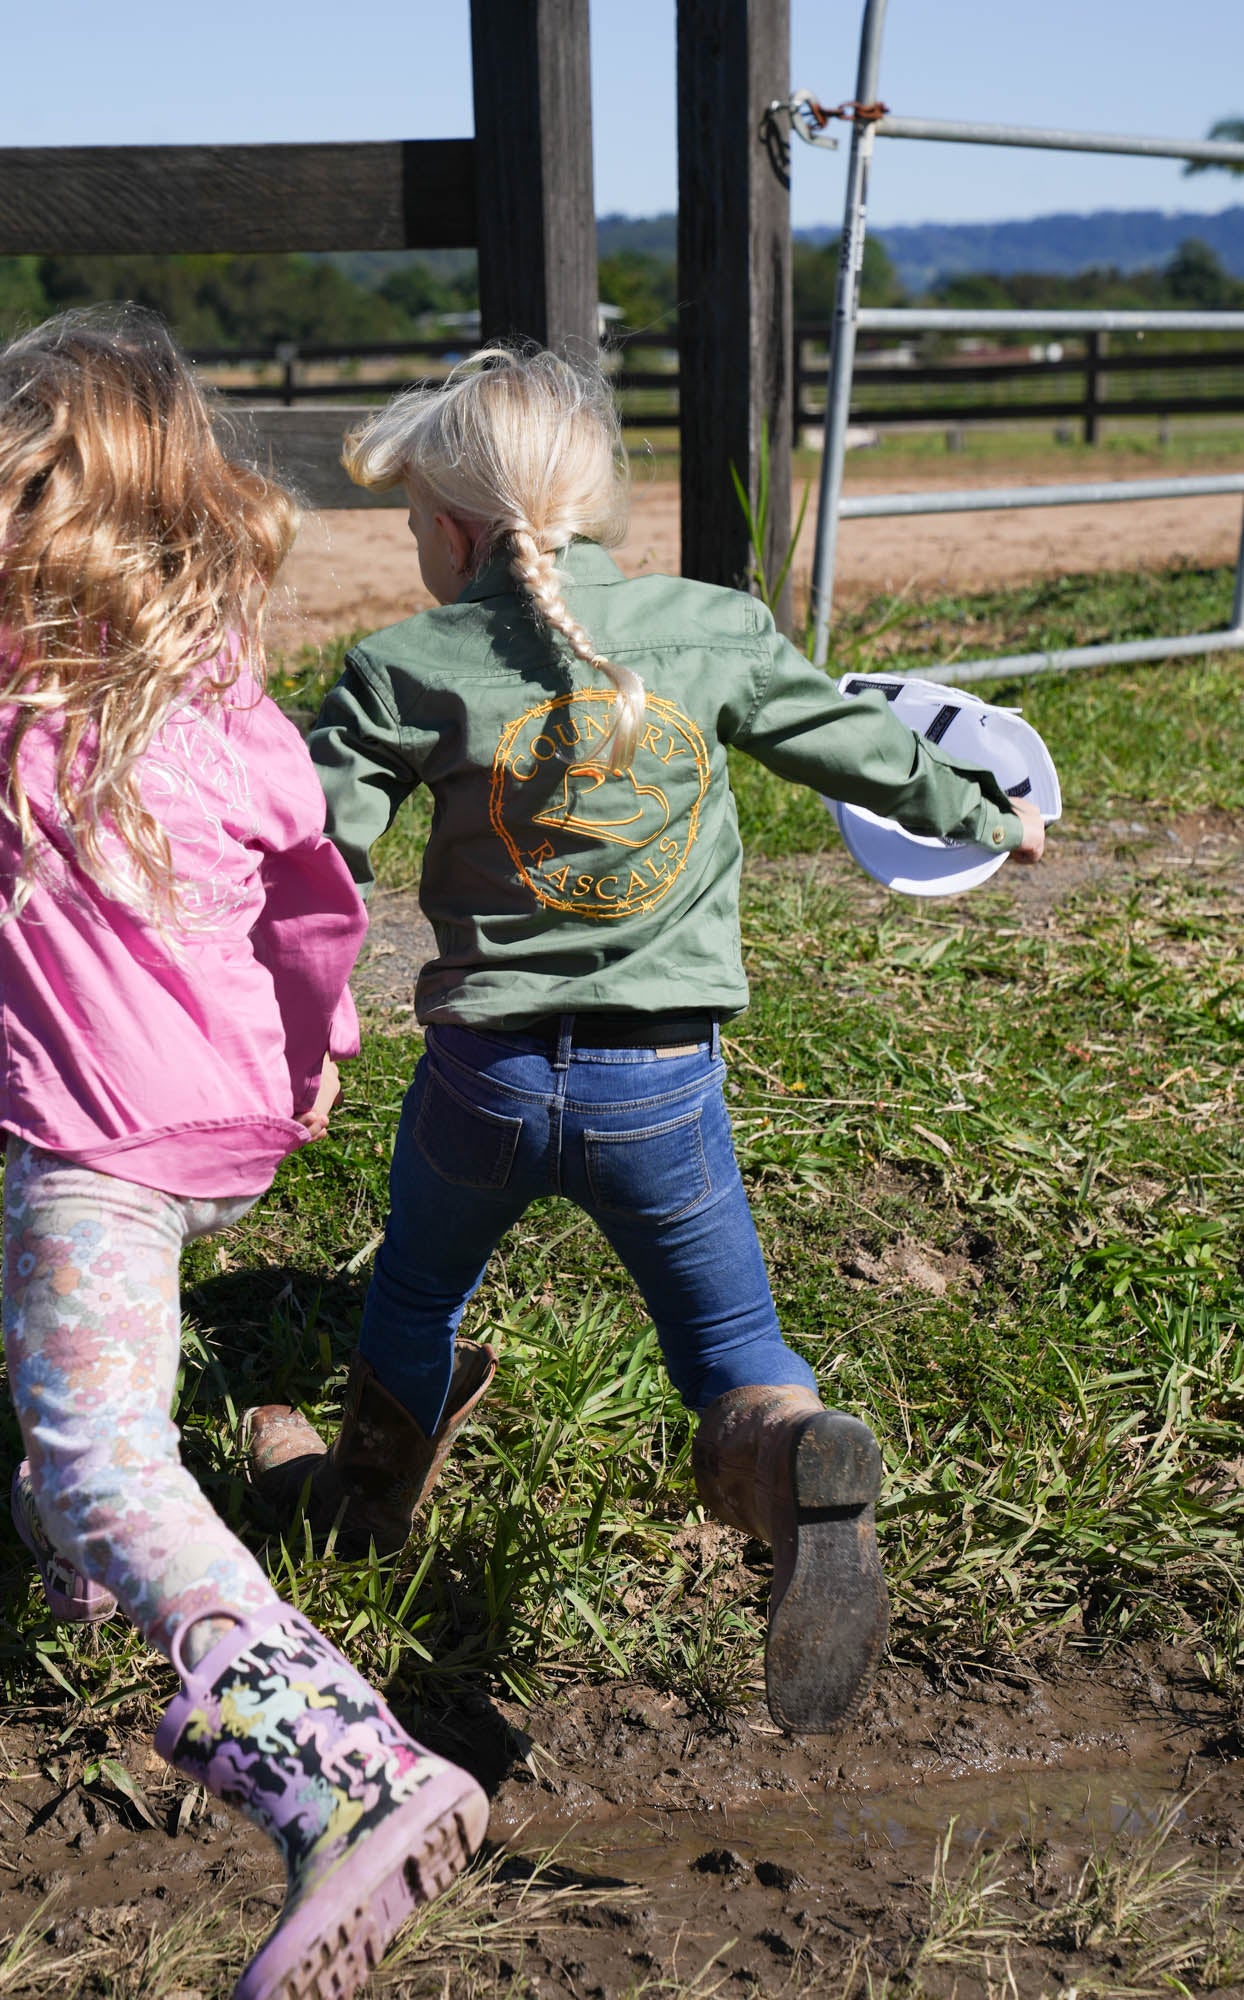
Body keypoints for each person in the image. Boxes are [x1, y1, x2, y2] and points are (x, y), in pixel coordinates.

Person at [0, 312, 486, 1999]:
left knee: (99, 1454)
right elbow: (317, 914)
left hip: (100, 1150)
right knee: (79, 1432)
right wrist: (311, 1075)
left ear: (20, 485)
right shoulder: (235, 703)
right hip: (233, 1128)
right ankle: (92, 1564)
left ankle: (345, 1778)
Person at [245, 345, 1045, 1737]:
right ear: (597, 503)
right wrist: (989, 814)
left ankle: (367, 1496)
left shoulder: (399, 666)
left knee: (419, 1297)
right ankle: (793, 1465)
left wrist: (250, 988)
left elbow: (307, 866)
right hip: (661, 1086)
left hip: (479, 1084)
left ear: (445, 528)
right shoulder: (711, 627)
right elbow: (857, 744)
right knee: (734, 1346)